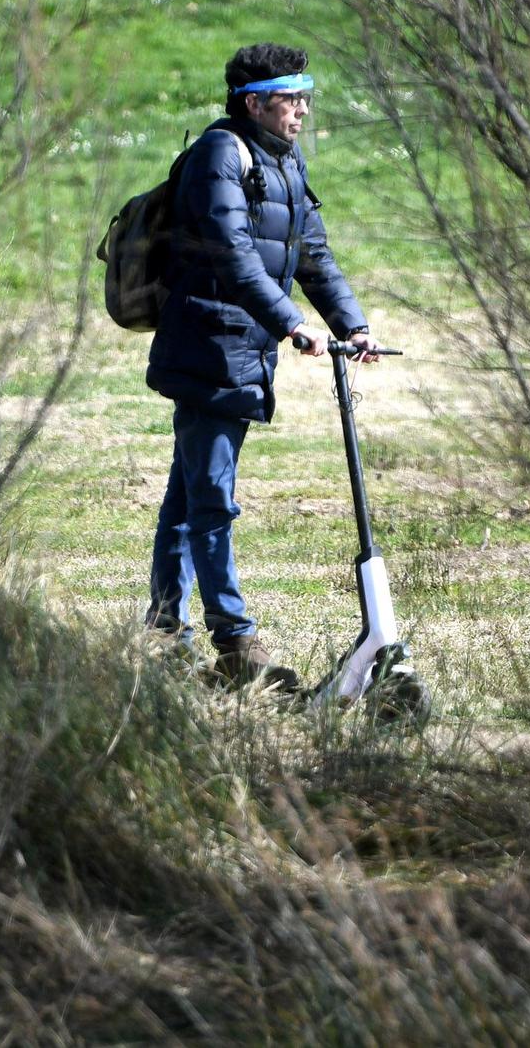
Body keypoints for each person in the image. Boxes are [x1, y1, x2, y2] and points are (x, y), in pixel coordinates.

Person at [145, 42, 379, 686]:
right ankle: (234, 642)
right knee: (211, 496)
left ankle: (165, 630)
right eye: (289, 99)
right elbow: (232, 251)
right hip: (208, 343)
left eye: (305, 97)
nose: (301, 110)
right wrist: (291, 323)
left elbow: (313, 254)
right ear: (255, 103)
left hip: (243, 346)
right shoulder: (222, 155)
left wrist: (351, 325)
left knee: (189, 493)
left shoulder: (285, 159)